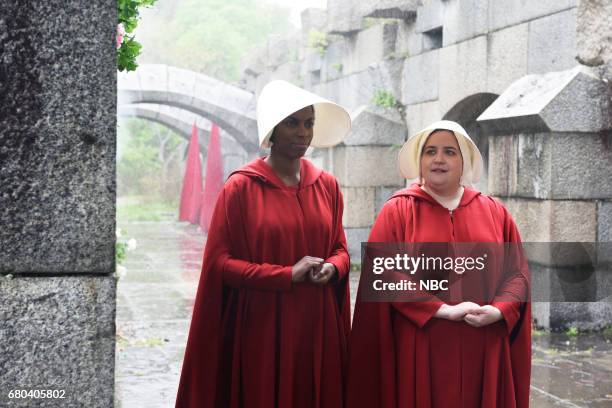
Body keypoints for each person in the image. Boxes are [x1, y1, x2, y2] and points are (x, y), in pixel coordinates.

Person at [176, 80, 352, 408]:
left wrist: (333, 267)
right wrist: (284, 275)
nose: (303, 132)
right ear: (272, 130)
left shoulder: (327, 185)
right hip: (262, 324)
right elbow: (219, 264)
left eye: (309, 123)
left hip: (317, 323)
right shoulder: (241, 188)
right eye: (292, 123)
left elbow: (341, 249)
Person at [346, 120, 531, 408]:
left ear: (465, 160)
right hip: (423, 341)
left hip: (482, 343)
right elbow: (384, 273)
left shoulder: (494, 212)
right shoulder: (398, 211)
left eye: (449, 152)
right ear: (419, 161)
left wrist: (499, 310)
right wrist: (440, 309)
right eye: (430, 151)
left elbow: (517, 274)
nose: (439, 159)